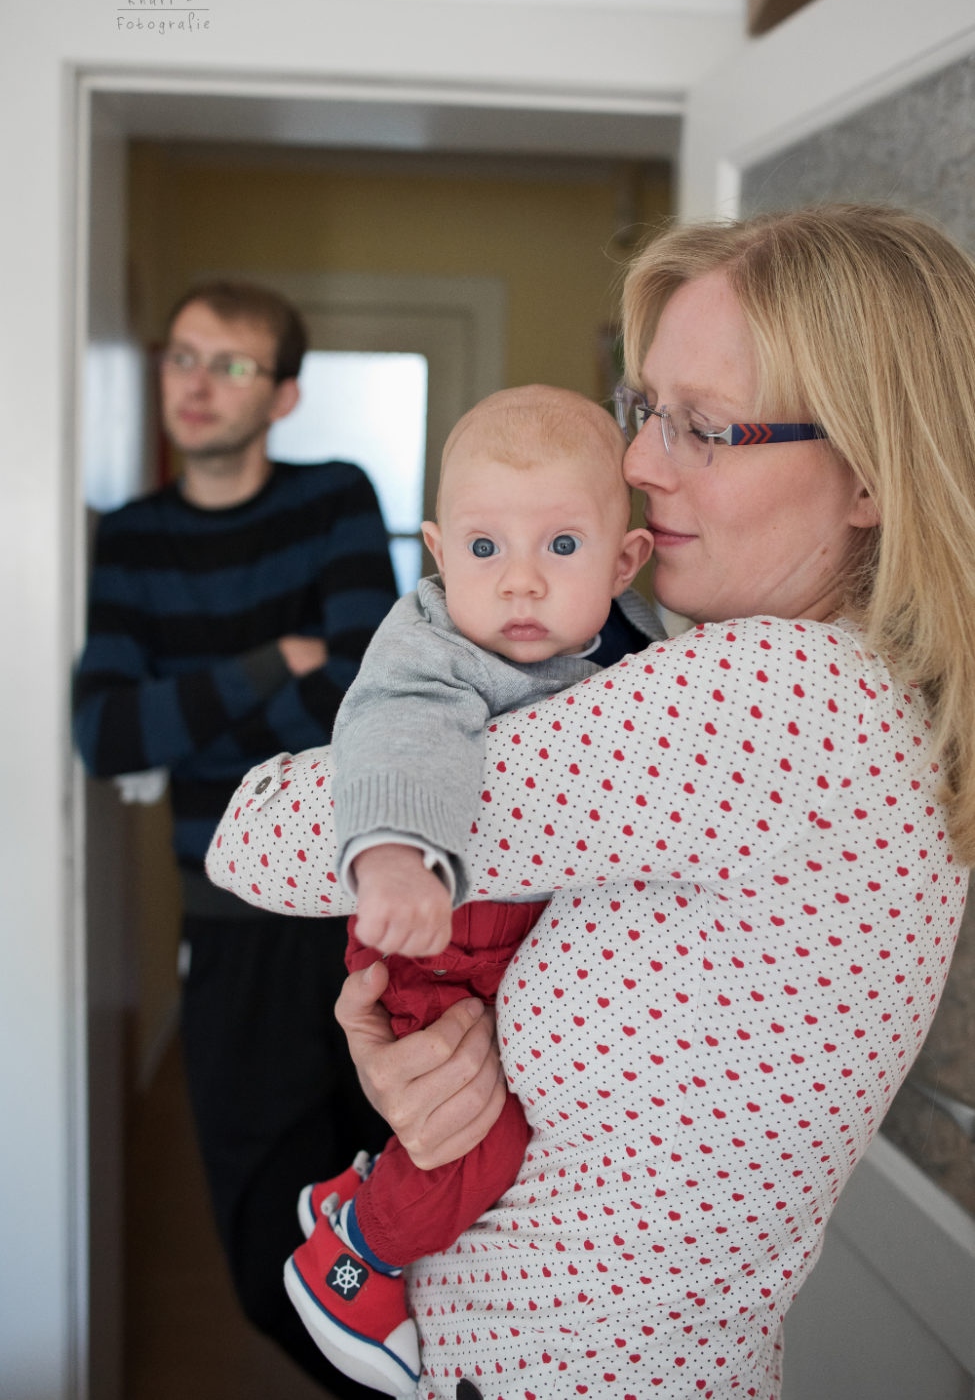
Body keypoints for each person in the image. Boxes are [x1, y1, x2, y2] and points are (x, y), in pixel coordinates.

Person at [205, 204, 975, 1400]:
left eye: (706, 426)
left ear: (870, 469)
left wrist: (428, 641)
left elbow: (257, 835)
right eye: (644, 408)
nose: (641, 464)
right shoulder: (854, 700)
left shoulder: (779, 697)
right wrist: (432, 1075)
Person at [280, 386, 659, 1394]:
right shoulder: (433, 642)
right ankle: (350, 1260)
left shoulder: (637, 654)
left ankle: (354, 1193)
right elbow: (394, 729)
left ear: (626, 561)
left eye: (562, 546)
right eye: (485, 548)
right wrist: (393, 858)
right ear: (441, 554)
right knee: (480, 1150)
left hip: (505, 952)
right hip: (433, 945)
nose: (520, 580)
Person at [73, 279, 398, 1397]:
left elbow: (364, 704)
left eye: (232, 364)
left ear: (283, 394)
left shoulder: (333, 498)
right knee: (269, 1258)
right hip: (229, 925)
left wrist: (205, 704)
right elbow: (108, 733)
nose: (196, 382)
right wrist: (278, 661)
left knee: (413, 1211)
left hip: (369, 915)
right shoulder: (132, 538)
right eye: (183, 356)